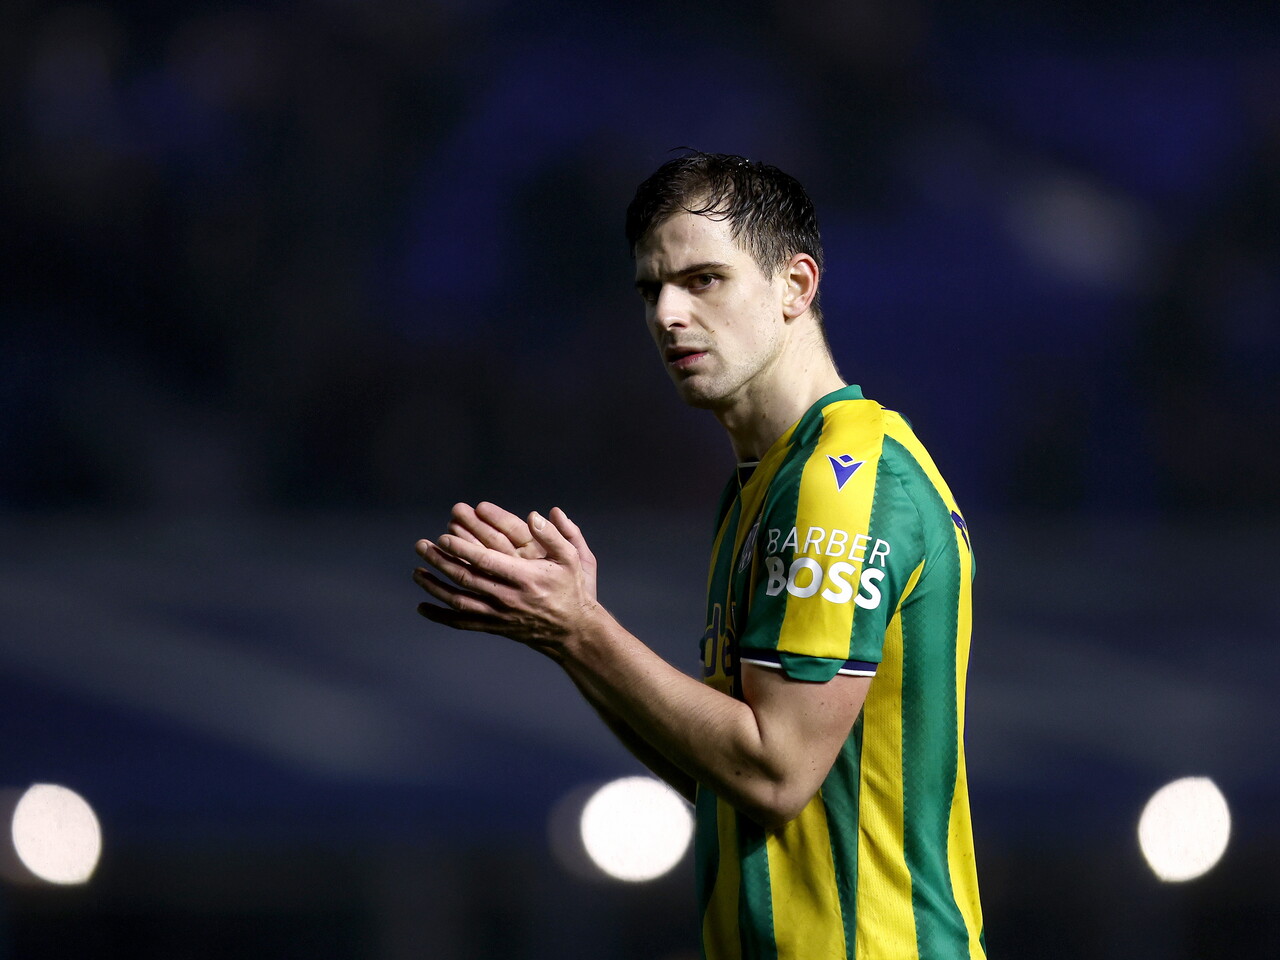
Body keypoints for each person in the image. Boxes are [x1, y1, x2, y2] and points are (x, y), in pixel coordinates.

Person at [414, 151, 986, 959]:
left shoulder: (841, 481)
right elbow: (724, 782)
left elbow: (776, 772)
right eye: (652, 290)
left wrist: (583, 632)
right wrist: (563, 633)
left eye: (704, 280)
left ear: (797, 285)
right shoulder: (763, 486)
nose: (668, 315)